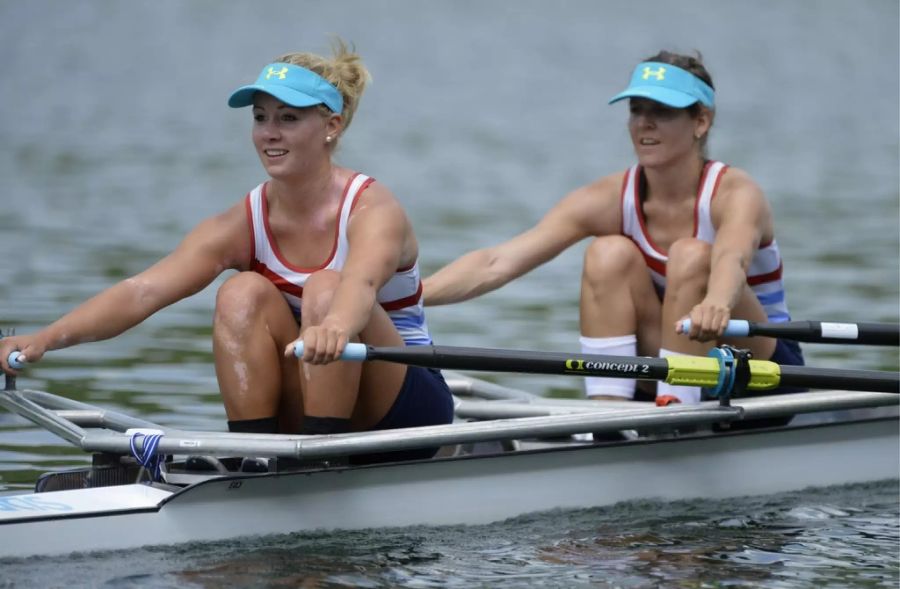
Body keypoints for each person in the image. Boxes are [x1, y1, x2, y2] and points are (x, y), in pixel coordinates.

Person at [0, 39, 454, 458]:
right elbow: (143, 291)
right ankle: (252, 459)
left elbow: (361, 283)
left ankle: (318, 463)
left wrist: (335, 324)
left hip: (406, 405)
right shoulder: (244, 220)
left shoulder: (373, 208)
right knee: (241, 294)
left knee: (326, 288)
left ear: (331, 126)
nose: (269, 133)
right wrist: (43, 339)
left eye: (288, 118)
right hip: (314, 390)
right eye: (261, 118)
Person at [423, 50, 804, 406]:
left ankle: (677, 417)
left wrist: (717, 302)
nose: (644, 123)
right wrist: (410, 296)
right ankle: (609, 418)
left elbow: (732, 258)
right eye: (636, 109)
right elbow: (497, 262)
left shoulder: (735, 192)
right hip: (668, 363)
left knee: (691, 256)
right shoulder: (607, 197)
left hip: (762, 370)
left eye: (662, 111)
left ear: (700, 121)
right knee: (608, 253)